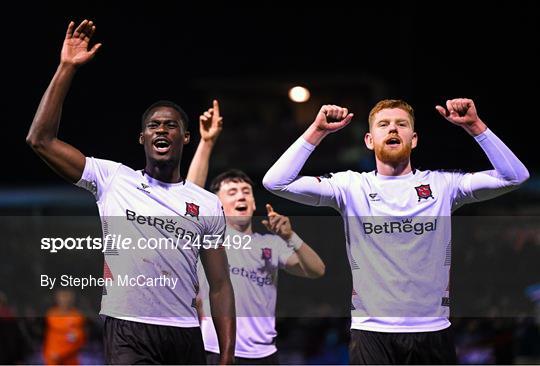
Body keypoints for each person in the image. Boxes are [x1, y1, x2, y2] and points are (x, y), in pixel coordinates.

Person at [26, 19, 235, 364]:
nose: (161, 129)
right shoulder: (113, 179)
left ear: (185, 138)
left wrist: (226, 355)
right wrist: (66, 68)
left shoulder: (207, 204)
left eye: (171, 125)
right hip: (128, 329)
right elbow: (40, 140)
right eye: (153, 125)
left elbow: (221, 285)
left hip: (184, 331)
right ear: (143, 138)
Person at [262, 99, 529, 364]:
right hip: (372, 332)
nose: (393, 129)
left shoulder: (443, 185)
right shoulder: (350, 187)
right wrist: (317, 131)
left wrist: (475, 126)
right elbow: (276, 182)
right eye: (384, 124)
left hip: (432, 331)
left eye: (401, 124)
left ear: (413, 140)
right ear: (369, 140)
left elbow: (515, 176)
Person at [187, 102, 326, 364]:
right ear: (217, 204)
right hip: (213, 350)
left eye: (246, 192)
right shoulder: (209, 238)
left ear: (252, 204)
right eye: (231, 192)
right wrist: (206, 143)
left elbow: (317, 270)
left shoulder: (272, 245)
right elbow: (190, 194)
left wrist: (290, 237)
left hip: (264, 355)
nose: (241, 196)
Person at [43, 289, 86, 365]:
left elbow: (79, 339)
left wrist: (61, 353)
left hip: (70, 359)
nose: (65, 299)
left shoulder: (78, 316)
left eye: (67, 296)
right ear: (56, 298)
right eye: (62, 296)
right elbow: (52, 337)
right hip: (53, 358)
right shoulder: (51, 314)